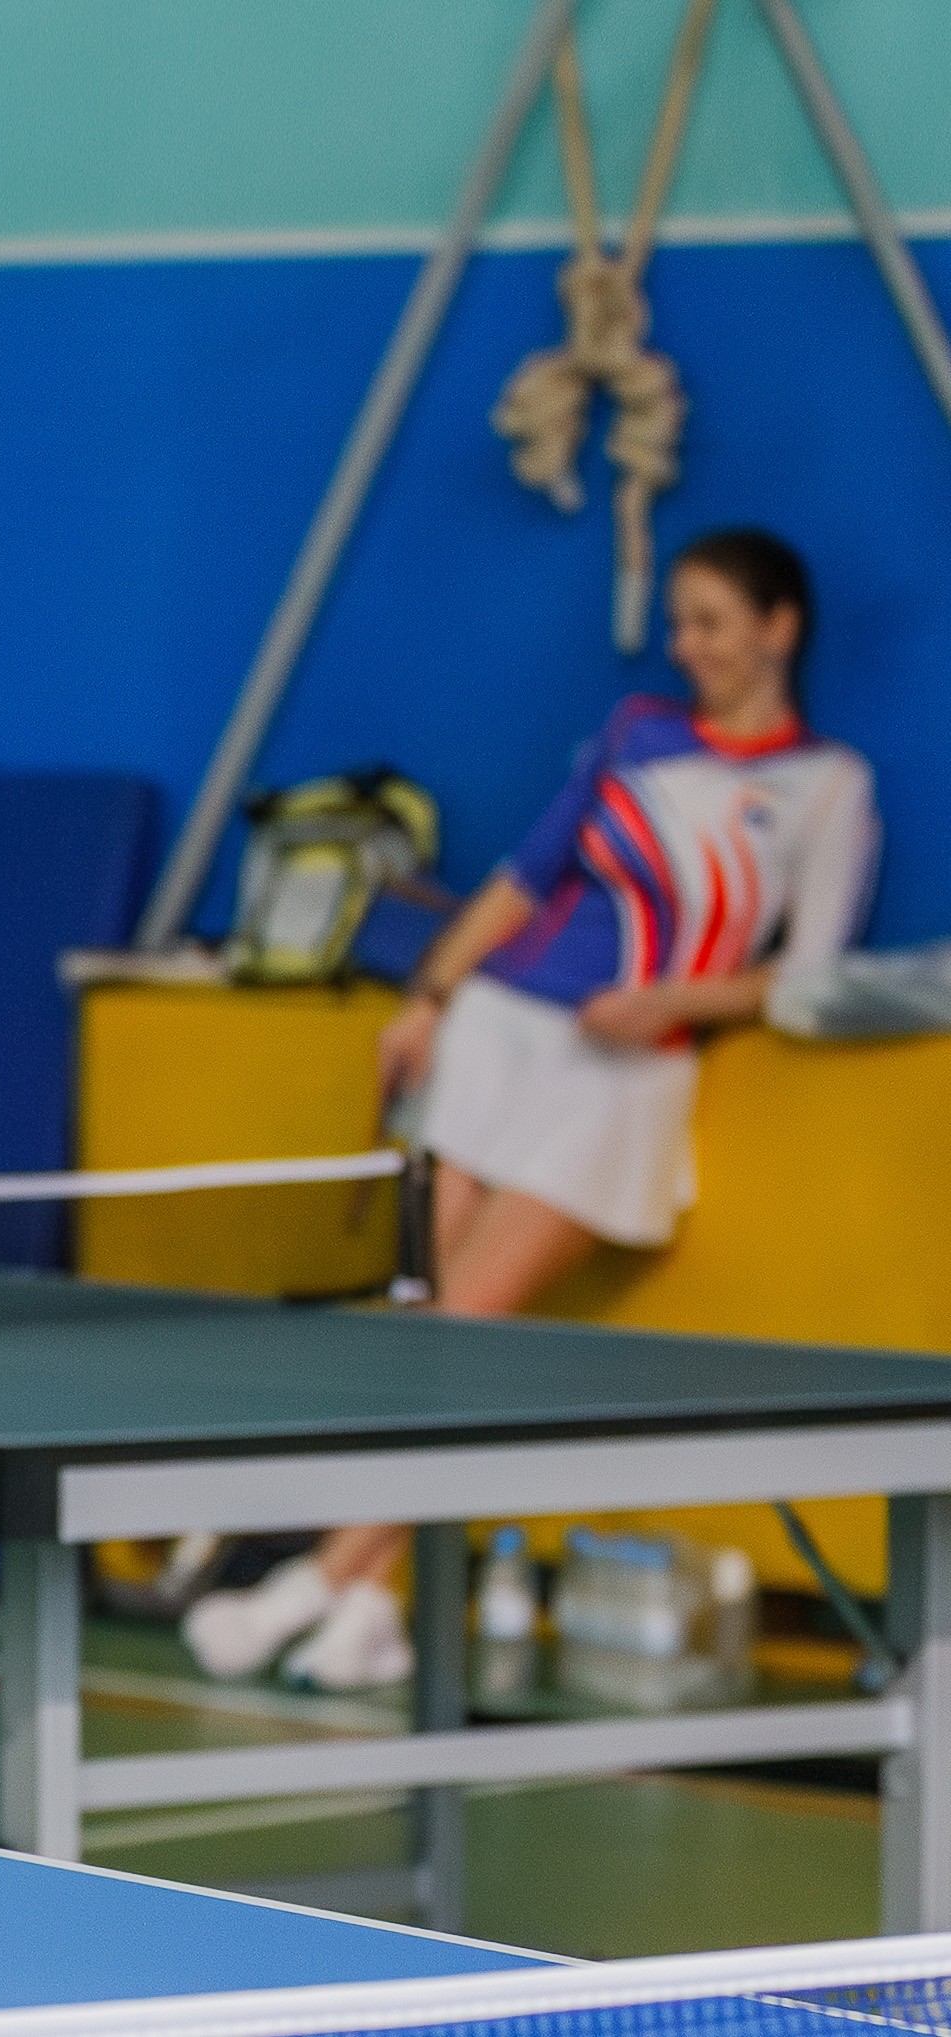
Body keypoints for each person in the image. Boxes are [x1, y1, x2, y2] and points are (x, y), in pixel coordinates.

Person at [184, 528, 878, 1692]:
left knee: (463, 1338)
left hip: (621, 1079)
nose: (686, 644)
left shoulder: (829, 787)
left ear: (779, 627)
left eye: (711, 620)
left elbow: (807, 976)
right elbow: (523, 878)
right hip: (496, 1036)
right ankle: (371, 1604)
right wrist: (428, 998)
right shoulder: (635, 734)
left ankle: (315, 1579)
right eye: (678, 621)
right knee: (422, 1349)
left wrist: (666, 1001)